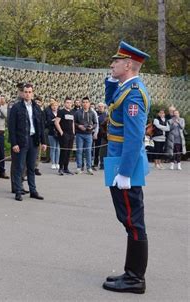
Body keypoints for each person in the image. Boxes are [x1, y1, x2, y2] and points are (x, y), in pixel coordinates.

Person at [102, 41, 151, 294]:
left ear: (128, 64)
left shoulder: (134, 93)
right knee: (128, 219)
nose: (112, 64)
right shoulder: (125, 88)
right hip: (118, 161)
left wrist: (124, 172)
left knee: (133, 221)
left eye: (117, 61)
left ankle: (135, 278)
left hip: (125, 165)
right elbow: (112, 103)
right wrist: (110, 82)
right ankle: (131, 273)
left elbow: (133, 136)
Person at [8, 83, 46, 201]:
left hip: (33, 140)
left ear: (32, 93)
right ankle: (18, 191)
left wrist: (43, 141)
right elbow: (11, 127)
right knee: (19, 167)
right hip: (21, 141)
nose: (28, 94)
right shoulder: (16, 107)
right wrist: (14, 143)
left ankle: (33, 190)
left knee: (31, 167)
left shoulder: (36, 107)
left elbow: (41, 125)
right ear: (22, 93)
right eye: (26, 92)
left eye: (30, 92)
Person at [74, 97, 97, 175]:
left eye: (87, 102)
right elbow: (74, 122)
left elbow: (95, 123)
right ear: (81, 103)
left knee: (88, 151)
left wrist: (92, 127)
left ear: (89, 103)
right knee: (79, 151)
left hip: (89, 134)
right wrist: (79, 126)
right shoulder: (78, 112)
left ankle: (89, 168)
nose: (85, 103)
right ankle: (79, 167)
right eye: (83, 102)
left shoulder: (92, 112)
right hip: (79, 134)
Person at [54, 97, 75, 175]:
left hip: (71, 135)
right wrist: (61, 132)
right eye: (67, 102)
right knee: (64, 151)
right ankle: (60, 168)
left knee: (69, 152)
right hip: (64, 135)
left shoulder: (72, 112)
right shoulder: (61, 111)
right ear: (64, 103)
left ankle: (66, 168)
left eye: (70, 103)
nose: (69, 104)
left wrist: (73, 132)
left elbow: (72, 123)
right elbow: (56, 122)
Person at [45, 99, 60, 170]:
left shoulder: (60, 113)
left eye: (56, 105)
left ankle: (57, 162)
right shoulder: (49, 113)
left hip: (59, 132)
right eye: (53, 105)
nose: (55, 107)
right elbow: (47, 122)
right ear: (51, 106)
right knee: (53, 148)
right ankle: (53, 163)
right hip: (51, 132)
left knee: (58, 148)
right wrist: (53, 121)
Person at [93, 102, 107, 170]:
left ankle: (103, 164)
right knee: (97, 150)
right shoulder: (95, 114)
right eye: (99, 106)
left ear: (104, 107)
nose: (100, 107)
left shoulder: (106, 115)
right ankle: (95, 163)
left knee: (104, 151)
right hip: (97, 135)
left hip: (104, 136)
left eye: (102, 106)